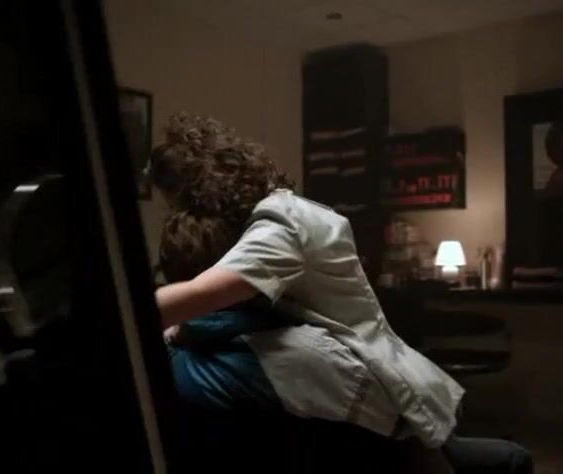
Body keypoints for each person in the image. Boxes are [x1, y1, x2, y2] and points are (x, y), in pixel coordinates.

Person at [151, 113, 533, 474]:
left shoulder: (283, 224)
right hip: (363, 390)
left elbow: (205, 293)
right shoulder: (288, 218)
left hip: (374, 394)